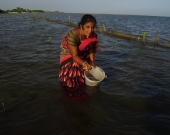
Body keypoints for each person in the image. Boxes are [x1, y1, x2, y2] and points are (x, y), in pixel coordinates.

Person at [58, 14, 98, 99]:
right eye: (87, 27)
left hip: (81, 52)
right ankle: (71, 91)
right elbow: (75, 55)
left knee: (88, 67)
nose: (90, 30)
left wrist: (92, 61)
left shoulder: (92, 35)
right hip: (69, 54)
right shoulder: (73, 35)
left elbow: (91, 48)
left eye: (92, 27)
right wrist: (84, 63)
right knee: (74, 70)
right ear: (81, 26)